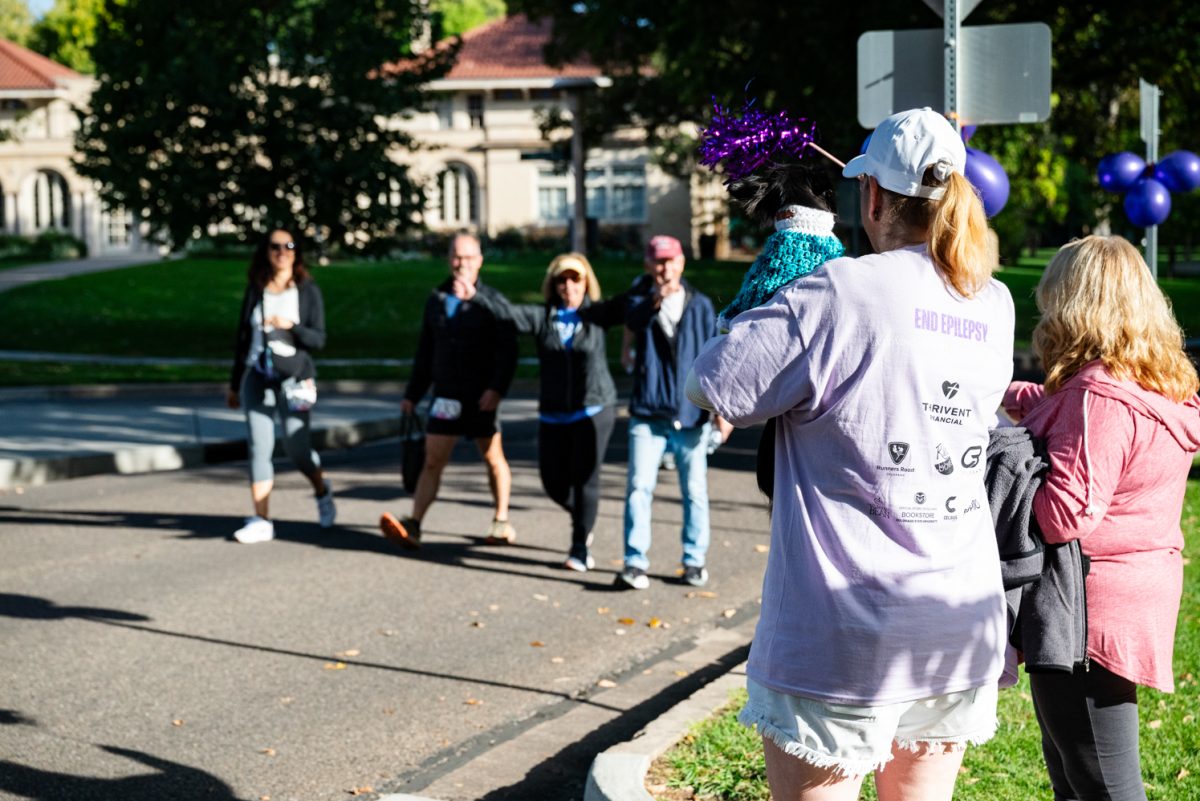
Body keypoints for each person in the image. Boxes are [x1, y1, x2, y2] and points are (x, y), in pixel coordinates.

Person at [690, 108, 1015, 800]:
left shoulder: (839, 292)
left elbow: (712, 380)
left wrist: (785, 267)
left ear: (871, 197)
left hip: (846, 632)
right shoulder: (994, 302)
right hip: (956, 619)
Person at [1002, 235, 1200, 801]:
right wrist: (997, 392)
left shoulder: (1101, 399)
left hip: (1086, 613)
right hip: (1128, 594)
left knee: (1103, 785)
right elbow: (1066, 408)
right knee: (1077, 776)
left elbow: (1065, 513)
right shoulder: (1156, 388)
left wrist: (1011, 478)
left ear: (1074, 306)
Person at [470, 253, 627, 571]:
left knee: (586, 480)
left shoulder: (596, 314)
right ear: (553, 284)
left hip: (593, 410)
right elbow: (507, 315)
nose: (568, 285)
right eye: (562, 279)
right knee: (553, 482)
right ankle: (584, 517)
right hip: (554, 413)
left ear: (586, 283)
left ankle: (579, 547)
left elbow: (631, 305)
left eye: (575, 279)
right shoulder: (544, 317)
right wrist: (477, 292)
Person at [379, 233, 518, 549]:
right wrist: (412, 394)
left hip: (482, 396)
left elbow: (508, 351)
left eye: (468, 258)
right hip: (446, 396)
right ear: (448, 259)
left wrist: (497, 389)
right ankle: (414, 525)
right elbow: (426, 351)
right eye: (457, 257)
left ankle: (501, 521)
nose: (462, 264)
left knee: (493, 457)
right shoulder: (437, 299)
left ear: (480, 261)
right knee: (432, 461)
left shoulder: (493, 302)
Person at [617, 235, 731, 591]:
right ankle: (635, 562)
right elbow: (631, 322)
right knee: (639, 487)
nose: (665, 268)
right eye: (658, 262)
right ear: (649, 266)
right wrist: (655, 300)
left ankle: (694, 561)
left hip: (690, 414)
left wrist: (721, 409)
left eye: (670, 261)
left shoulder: (699, 306)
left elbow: (715, 357)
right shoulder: (641, 299)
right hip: (648, 412)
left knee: (694, 490)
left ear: (682, 262)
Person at [227, 228, 334, 543]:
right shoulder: (256, 289)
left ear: (297, 252)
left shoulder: (307, 290)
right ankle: (261, 519)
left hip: (295, 376)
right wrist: (234, 384)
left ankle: (321, 489)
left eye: (289, 246)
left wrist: (291, 327)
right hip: (257, 374)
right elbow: (243, 339)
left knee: (297, 448)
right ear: (266, 252)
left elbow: (320, 339)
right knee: (260, 447)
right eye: (275, 247)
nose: (282, 252)